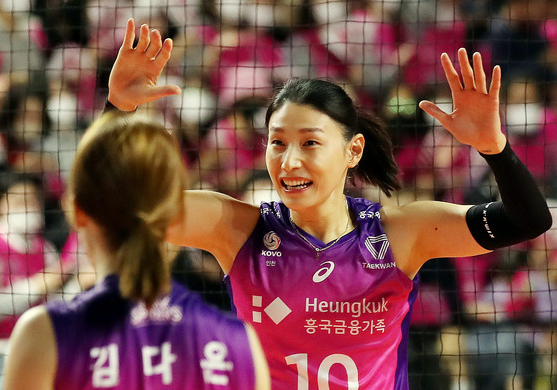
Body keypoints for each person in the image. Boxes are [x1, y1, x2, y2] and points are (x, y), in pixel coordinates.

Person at [107, 19, 553, 390]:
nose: (289, 160)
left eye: (310, 143)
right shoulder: (237, 228)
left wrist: (494, 146)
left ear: (353, 151)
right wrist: (117, 109)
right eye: (277, 143)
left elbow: (527, 221)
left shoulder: (401, 233)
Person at [3, 115, 270, 386]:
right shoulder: (241, 342)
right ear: (176, 215)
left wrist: (115, 109)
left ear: (78, 211)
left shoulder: (46, 334)